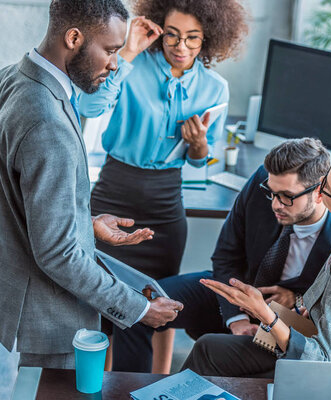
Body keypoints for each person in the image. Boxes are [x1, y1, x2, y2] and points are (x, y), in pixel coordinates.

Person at [0, 0, 182, 369]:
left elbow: (10, 202)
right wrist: (138, 309)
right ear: (74, 37)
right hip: (43, 323)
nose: (116, 63)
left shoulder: (6, 79)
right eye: (111, 50)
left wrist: (82, 224)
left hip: (2, 308)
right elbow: (57, 253)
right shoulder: (46, 120)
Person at [78, 0, 247, 373]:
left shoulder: (214, 87)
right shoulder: (132, 67)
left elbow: (200, 160)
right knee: (101, 301)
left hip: (165, 205)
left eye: (192, 38)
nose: (180, 46)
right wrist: (127, 54)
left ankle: (156, 383)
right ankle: (106, 385)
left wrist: (199, 145)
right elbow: (89, 108)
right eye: (171, 35)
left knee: (158, 300)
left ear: (209, 39)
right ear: (158, 30)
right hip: (113, 192)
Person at [111, 138, 331, 372]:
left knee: (216, 356)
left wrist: (297, 299)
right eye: (271, 193)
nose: (275, 205)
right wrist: (237, 319)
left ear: (319, 192)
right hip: (232, 294)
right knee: (136, 309)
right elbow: (226, 257)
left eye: (286, 196)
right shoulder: (262, 182)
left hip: (283, 324)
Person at [185, 152, 331, 377]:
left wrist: (265, 313)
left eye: (325, 187)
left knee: (208, 349)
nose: (318, 187)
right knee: (212, 345)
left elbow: (320, 360)